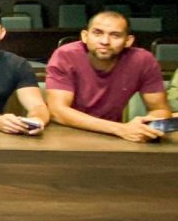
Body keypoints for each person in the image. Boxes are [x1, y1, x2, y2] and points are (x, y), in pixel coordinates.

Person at [46, 11, 171, 142]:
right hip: (65, 133)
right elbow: (57, 111)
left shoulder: (143, 60)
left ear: (128, 41)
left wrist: (149, 125)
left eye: (115, 35)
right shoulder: (66, 55)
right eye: (97, 33)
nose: (105, 41)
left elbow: (160, 109)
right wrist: (120, 129)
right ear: (85, 36)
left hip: (113, 137)